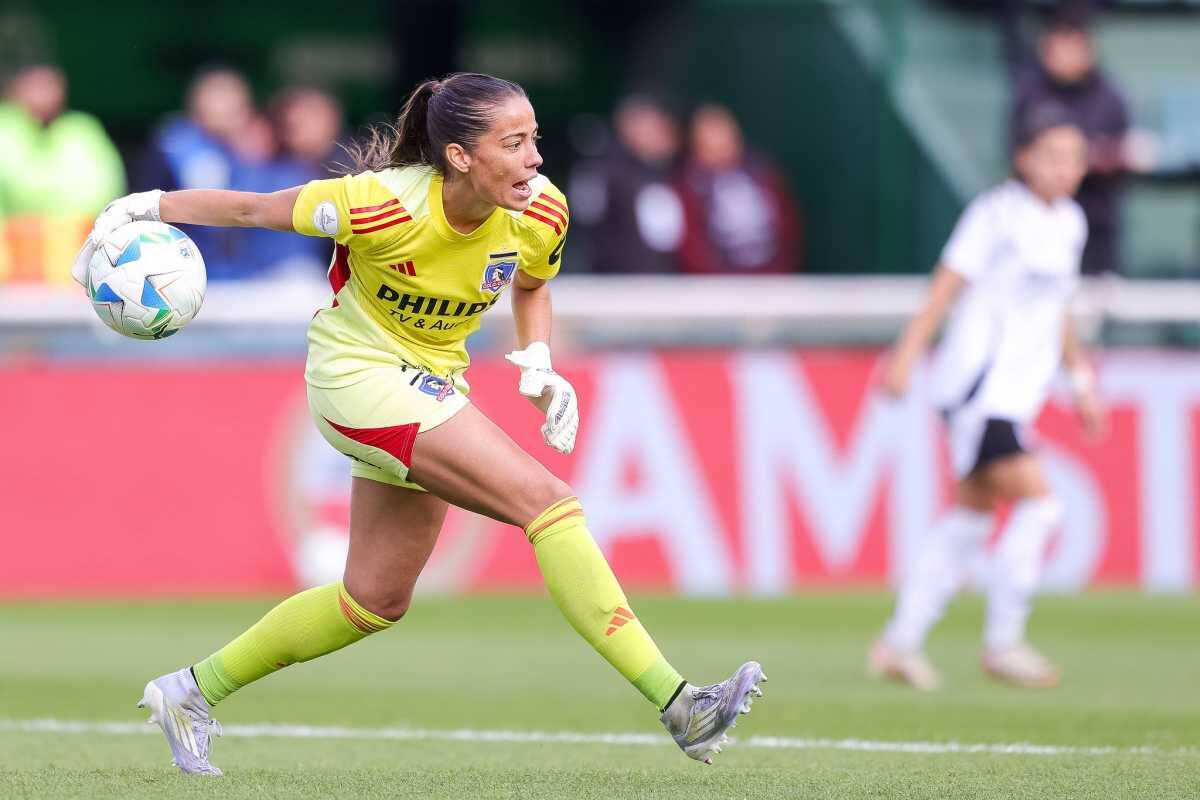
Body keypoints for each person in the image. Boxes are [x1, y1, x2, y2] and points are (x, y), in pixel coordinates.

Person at [71, 73, 765, 774]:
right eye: (513, 144)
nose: (534, 159)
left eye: (534, 140)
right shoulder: (378, 204)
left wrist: (538, 362)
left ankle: (188, 692)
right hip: (356, 378)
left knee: (372, 601)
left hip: (429, 383)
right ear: (460, 156)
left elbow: (532, 285)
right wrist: (143, 206)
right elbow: (255, 209)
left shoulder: (541, 211)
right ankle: (681, 703)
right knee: (549, 504)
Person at [868, 103, 1106, 691]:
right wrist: (905, 356)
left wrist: (1080, 383)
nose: (1066, 168)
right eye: (1053, 155)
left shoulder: (1070, 222)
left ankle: (898, 644)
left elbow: (1058, 311)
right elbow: (945, 287)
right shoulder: (996, 213)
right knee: (1041, 507)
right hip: (979, 390)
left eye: (1075, 157)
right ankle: (1003, 642)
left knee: (970, 520)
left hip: (1013, 396)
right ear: (1024, 157)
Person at [1005, 4, 1131, 275]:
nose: (1064, 54)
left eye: (1073, 44)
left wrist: (1102, 157)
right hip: (1037, 219)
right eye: (1058, 44)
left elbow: (1124, 150)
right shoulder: (1030, 90)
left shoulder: (1110, 96)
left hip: (1096, 219)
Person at [0, 63, 124, 283]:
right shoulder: (5, 126)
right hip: (9, 273)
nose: (43, 95)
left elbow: (103, 190)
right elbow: (16, 185)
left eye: (50, 87)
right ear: (15, 90)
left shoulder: (83, 129)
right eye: (35, 87)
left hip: (74, 269)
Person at [675, 104, 801, 275]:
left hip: (772, 279)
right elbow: (692, 246)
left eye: (723, 134)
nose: (719, 144)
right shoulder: (690, 185)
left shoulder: (761, 173)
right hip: (720, 285)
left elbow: (788, 228)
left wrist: (778, 273)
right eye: (709, 138)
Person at [568, 94, 685, 274]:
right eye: (653, 128)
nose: (662, 135)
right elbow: (586, 230)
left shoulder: (676, 173)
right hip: (618, 280)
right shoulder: (602, 172)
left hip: (667, 279)